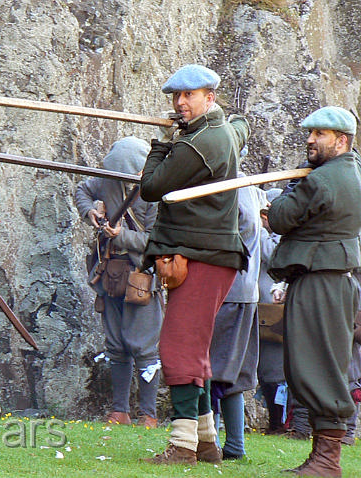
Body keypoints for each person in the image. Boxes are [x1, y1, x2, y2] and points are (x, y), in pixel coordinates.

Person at [139, 64, 249, 465]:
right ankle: (205, 443)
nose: (180, 103)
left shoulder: (197, 145)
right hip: (209, 254)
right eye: (176, 97)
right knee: (194, 350)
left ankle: (182, 445)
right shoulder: (223, 132)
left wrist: (161, 145)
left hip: (202, 254)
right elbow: (243, 127)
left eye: (189, 96)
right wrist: (187, 131)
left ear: (210, 97)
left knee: (178, 348)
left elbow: (150, 187)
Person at [267, 106, 361, 477]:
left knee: (316, 365)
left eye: (319, 134)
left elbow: (279, 217)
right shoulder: (350, 172)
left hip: (321, 280)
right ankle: (323, 457)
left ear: (341, 141)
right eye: (310, 133)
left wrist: (289, 191)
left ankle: (327, 460)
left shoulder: (320, 181)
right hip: (329, 277)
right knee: (323, 363)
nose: (309, 139)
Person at [74, 137, 163, 428]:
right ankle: (119, 411)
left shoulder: (155, 192)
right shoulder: (107, 180)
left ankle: (148, 414)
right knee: (116, 344)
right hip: (110, 273)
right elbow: (83, 190)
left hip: (142, 276)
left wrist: (120, 236)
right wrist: (90, 212)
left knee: (144, 346)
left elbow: (156, 239)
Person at [209, 181, 264, 460]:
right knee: (235, 372)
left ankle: (214, 442)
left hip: (228, 292)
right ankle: (234, 446)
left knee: (216, 371)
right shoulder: (251, 188)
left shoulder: (231, 188)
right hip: (246, 292)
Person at [256, 188, 287, 436]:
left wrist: (260, 228)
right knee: (262, 370)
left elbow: (272, 255)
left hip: (273, 310)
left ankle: (279, 423)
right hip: (257, 308)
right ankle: (273, 422)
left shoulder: (281, 235)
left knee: (274, 369)